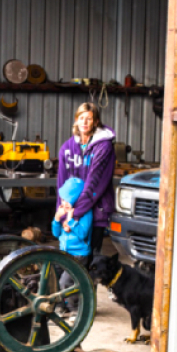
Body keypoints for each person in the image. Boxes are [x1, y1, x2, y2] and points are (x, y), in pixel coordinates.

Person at [56, 102, 116, 255]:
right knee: (69, 258)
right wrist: (62, 215)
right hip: (71, 214)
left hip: (95, 213)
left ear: (96, 122)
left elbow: (93, 184)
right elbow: (62, 186)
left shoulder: (104, 147)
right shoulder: (67, 148)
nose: (84, 122)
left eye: (89, 119)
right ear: (76, 120)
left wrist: (75, 215)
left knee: (89, 259)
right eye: (81, 118)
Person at [52, 177, 93, 316]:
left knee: (66, 281)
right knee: (53, 275)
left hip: (79, 254)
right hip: (64, 252)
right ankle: (59, 306)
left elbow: (82, 234)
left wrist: (71, 221)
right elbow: (56, 234)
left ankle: (74, 310)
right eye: (62, 199)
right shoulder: (64, 212)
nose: (63, 203)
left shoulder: (85, 213)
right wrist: (57, 219)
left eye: (67, 200)